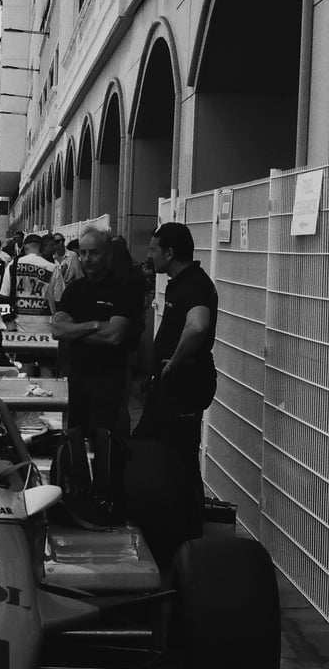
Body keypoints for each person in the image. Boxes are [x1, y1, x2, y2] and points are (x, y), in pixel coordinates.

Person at [133, 222, 218, 537]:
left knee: (180, 458)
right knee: (151, 448)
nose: (149, 254)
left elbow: (197, 326)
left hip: (184, 386)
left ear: (170, 252)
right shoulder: (179, 282)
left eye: (154, 249)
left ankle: (188, 531)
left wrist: (175, 363)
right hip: (168, 388)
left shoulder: (193, 284)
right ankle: (167, 521)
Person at [51, 228, 132, 434]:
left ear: (108, 255)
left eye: (94, 252)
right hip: (77, 382)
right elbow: (58, 331)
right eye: (83, 253)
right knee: (76, 446)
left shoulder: (122, 289)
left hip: (109, 384)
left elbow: (114, 335)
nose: (87, 258)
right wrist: (94, 325)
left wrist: (75, 329)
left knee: (106, 451)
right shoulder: (74, 290)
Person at [0, 232, 64, 377]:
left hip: (21, 328)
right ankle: (47, 398)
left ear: (24, 247)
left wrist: (9, 325)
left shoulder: (12, 265)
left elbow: (4, 298)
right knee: (47, 368)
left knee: (25, 370)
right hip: (46, 328)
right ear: (41, 248)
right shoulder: (52, 268)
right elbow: (59, 301)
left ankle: (27, 399)